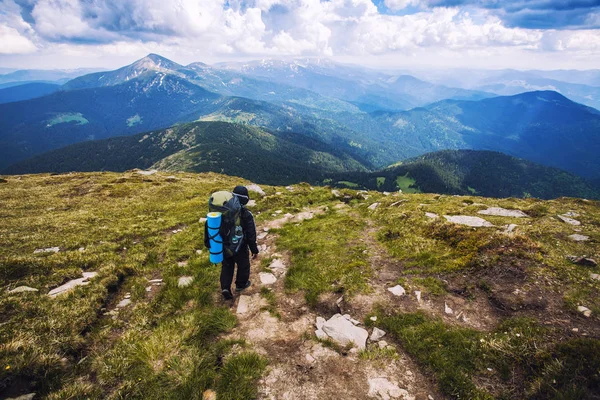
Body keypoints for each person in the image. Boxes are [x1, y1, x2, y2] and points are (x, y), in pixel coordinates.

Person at [204, 185, 259, 300]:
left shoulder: (222, 213)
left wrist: (209, 244)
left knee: (227, 266)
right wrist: (254, 249)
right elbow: (251, 235)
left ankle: (225, 287)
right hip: (240, 246)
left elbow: (209, 227)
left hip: (224, 246)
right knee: (243, 265)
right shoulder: (246, 214)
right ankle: (241, 284)